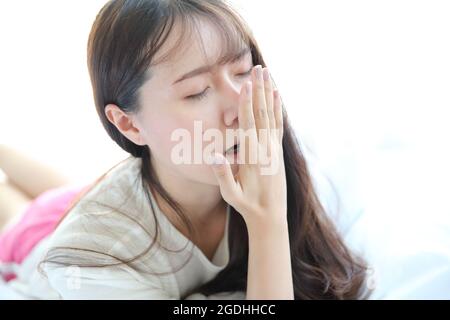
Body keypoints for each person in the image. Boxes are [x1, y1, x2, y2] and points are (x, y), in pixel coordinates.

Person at [0, 0, 368, 300]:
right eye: (196, 92)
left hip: (107, 195)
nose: (239, 105)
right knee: (15, 211)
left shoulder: (261, 156)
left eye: (241, 70)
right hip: (33, 249)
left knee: (57, 195)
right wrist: (266, 219)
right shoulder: (89, 259)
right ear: (129, 123)